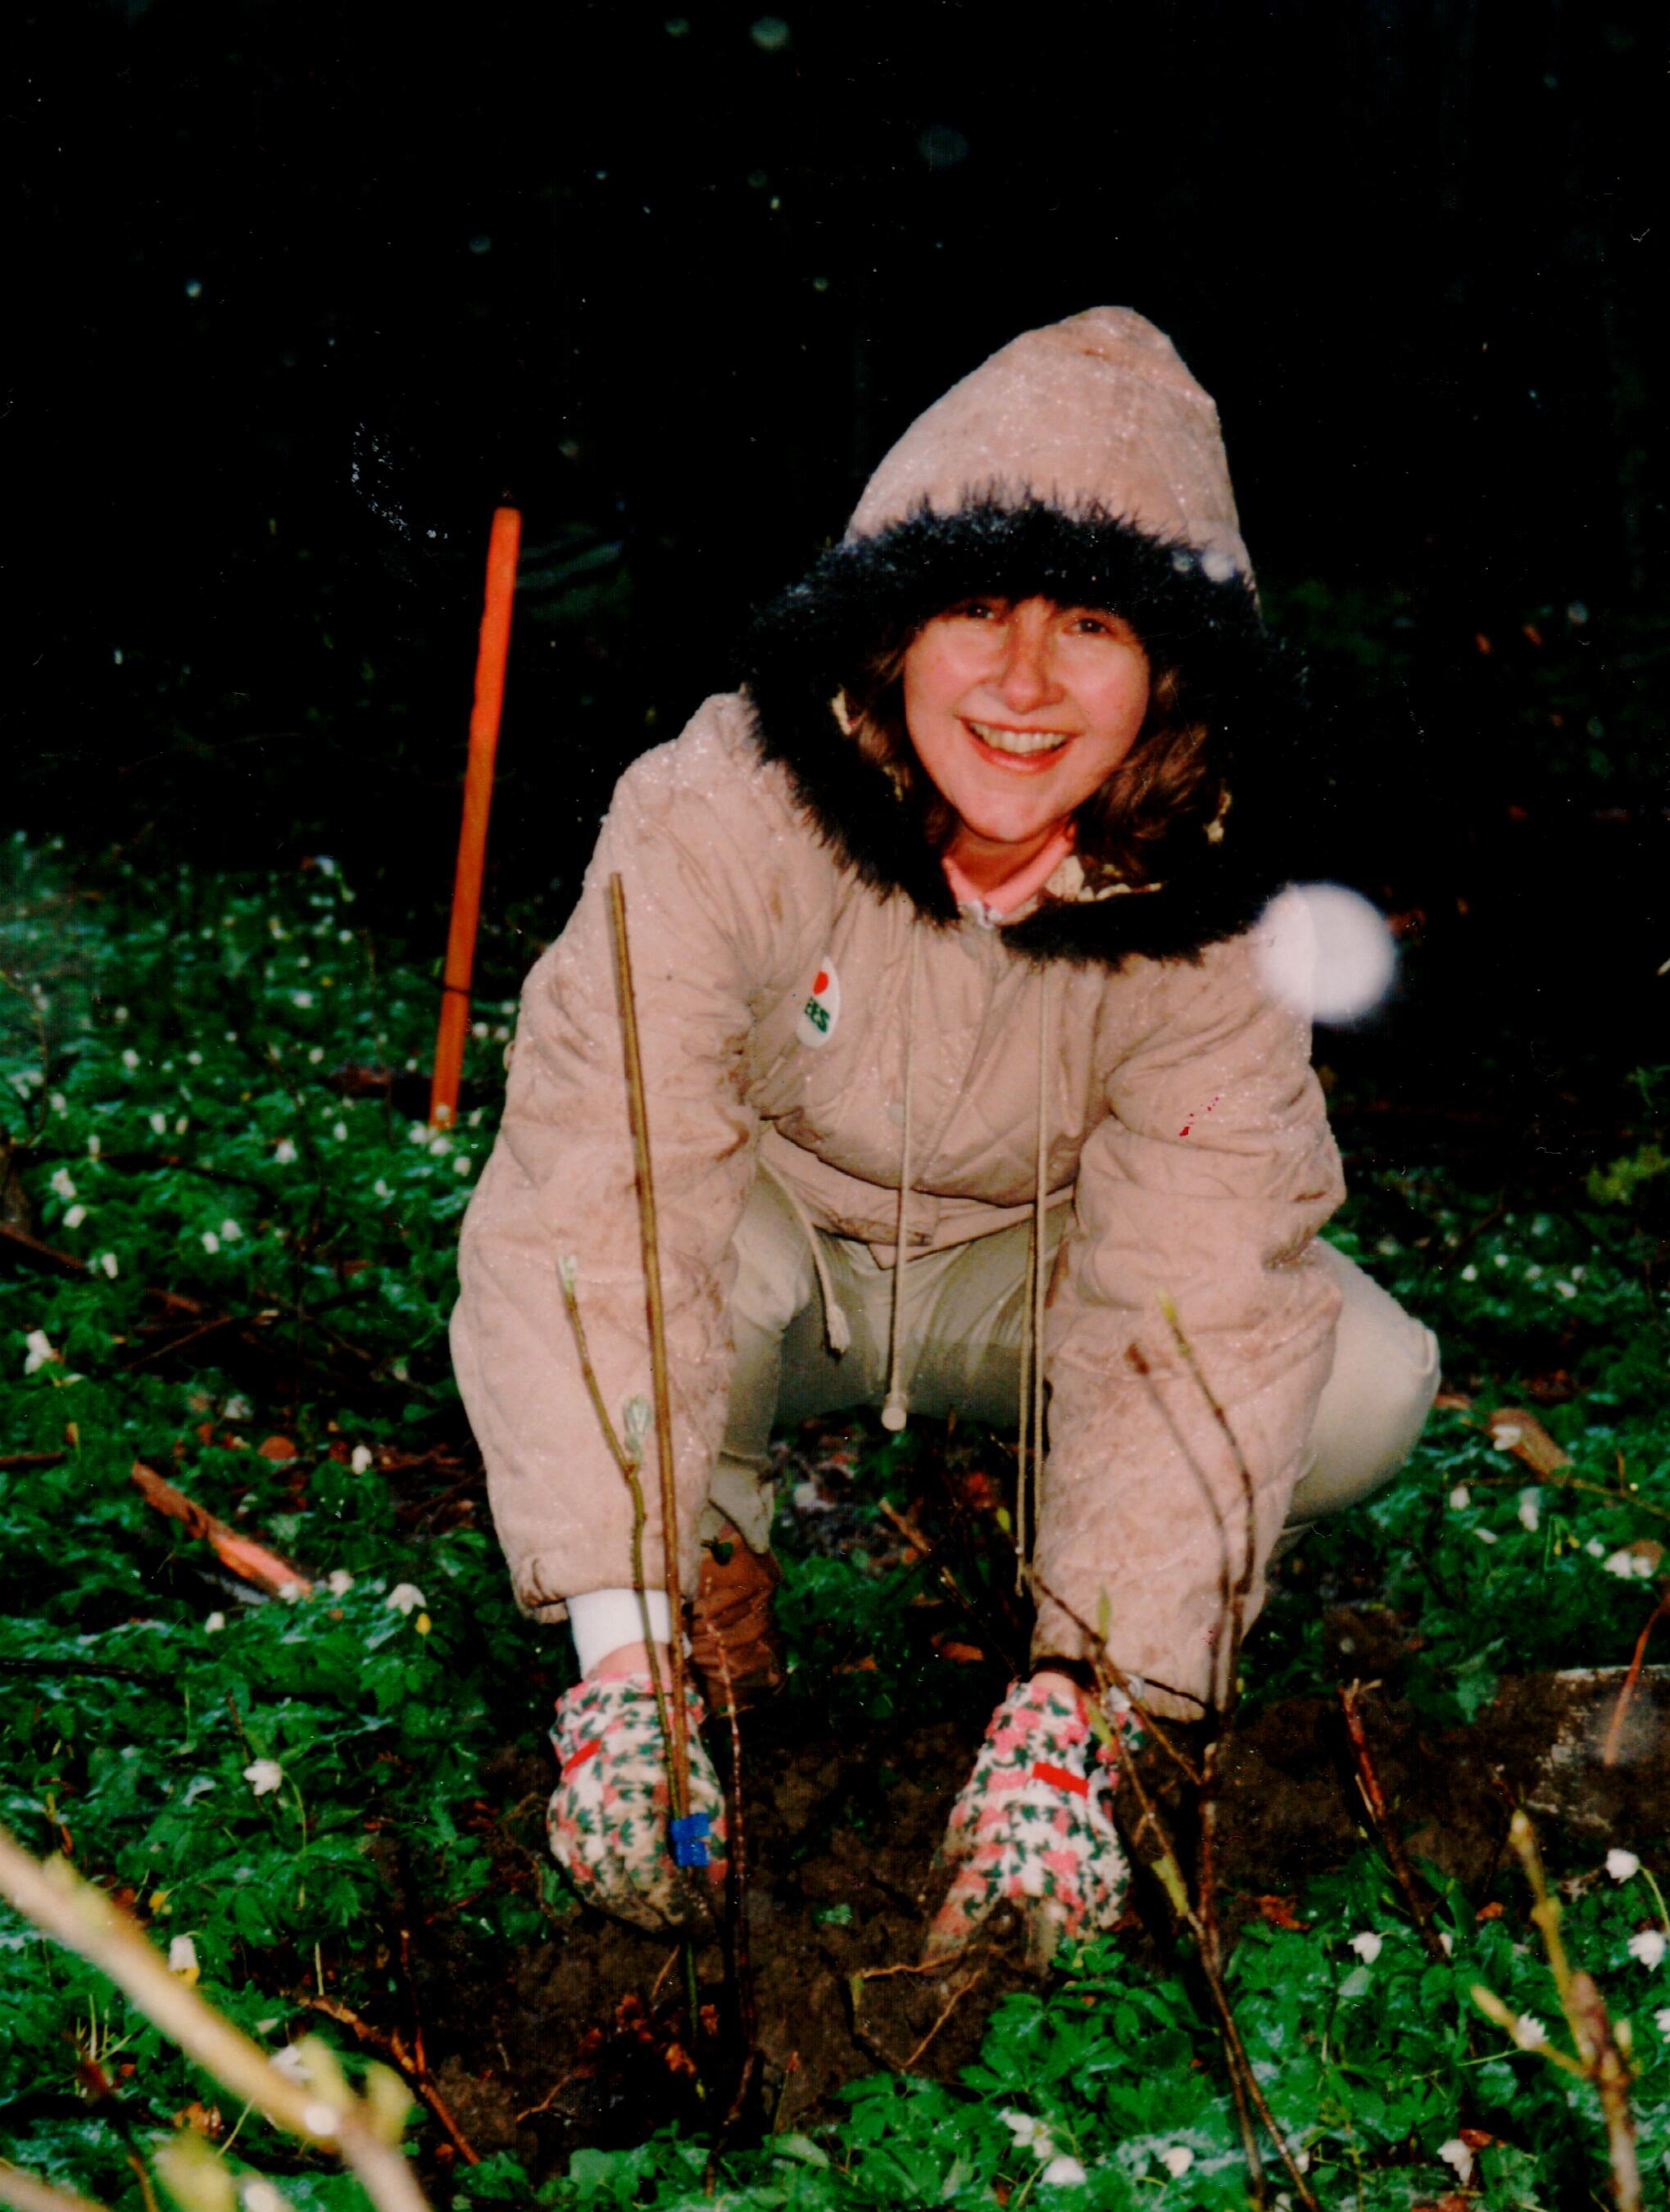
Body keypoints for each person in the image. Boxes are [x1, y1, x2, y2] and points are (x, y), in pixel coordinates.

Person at [451, 308, 1441, 1959]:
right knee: (647, 1251)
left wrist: (1087, 1701)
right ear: (891, 623)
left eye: (1091, 623)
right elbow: (599, 1187)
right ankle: (696, 1597)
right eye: (973, 606)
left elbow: (1189, 1266)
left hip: (1022, 1263)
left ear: (1171, 670)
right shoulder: (720, 808)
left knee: (1354, 1375)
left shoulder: (1209, 897)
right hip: (767, 1239)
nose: (1024, 682)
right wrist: (615, 1655)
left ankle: (1042, 1698)